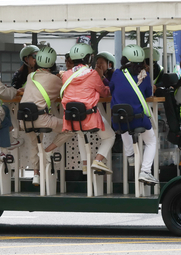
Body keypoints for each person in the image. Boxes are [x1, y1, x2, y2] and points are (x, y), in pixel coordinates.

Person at [19, 46, 74, 185]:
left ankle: (36, 174)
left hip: (24, 120)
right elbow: (64, 93)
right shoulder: (55, 80)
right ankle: (47, 152)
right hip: (42, 119)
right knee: (71, 127)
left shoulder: (30, 76)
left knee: (34, 144)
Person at [60, 43, 116, 174]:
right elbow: (104, 93)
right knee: (110, 137)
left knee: (80, 132)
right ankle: (98, 160)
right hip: (90, 117)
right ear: (87, 58)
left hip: (71, 118)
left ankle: (85, 164)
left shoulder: (66, 75)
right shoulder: (92, 74)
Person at [109, 44, 158, 184]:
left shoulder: (117, 74)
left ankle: (130, 155)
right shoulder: (145, 76)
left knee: (123, 123)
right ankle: (146, 171)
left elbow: (112, 89)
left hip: (118, 120)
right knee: (151, 141)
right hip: (138, 119)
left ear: (124, 59)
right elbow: (149, 93)